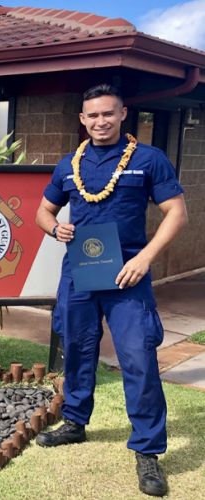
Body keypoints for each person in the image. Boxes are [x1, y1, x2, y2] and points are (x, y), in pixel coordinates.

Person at [34, 84, 188, 497]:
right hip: (80, 275)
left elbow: (177, 213)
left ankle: (147, 450)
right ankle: (75, 422)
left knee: (138, 357)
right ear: (82, 120)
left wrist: (145, 258)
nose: (100, 122)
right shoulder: (69, 164)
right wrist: (55, 228)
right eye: (92, 116)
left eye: (108, 114)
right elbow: (43, 211)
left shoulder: (148, 160)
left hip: (128, 277)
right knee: (78, 349)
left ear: (123, 115)